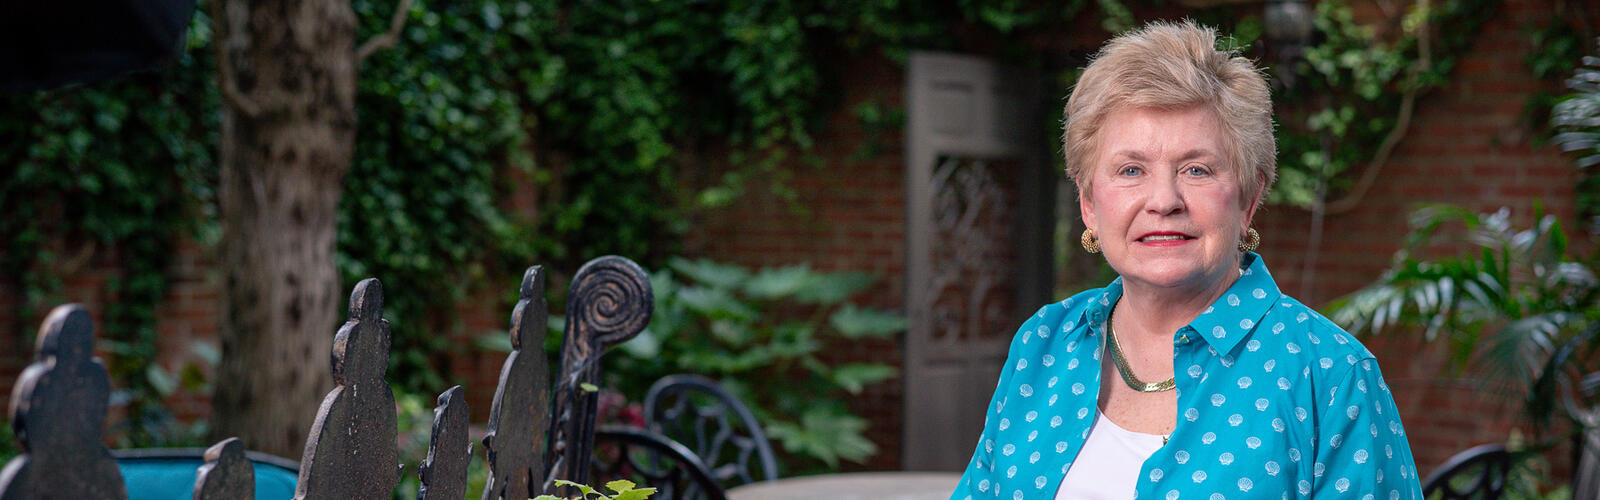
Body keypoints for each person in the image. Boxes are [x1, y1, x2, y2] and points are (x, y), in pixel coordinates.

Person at [950, 21, 1422, 499]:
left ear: (1249, 199)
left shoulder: (1331, 375)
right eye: (1131, 170)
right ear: (1089, 203)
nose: (1164, 201)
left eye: (1197, 170)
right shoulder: (1044, 343)